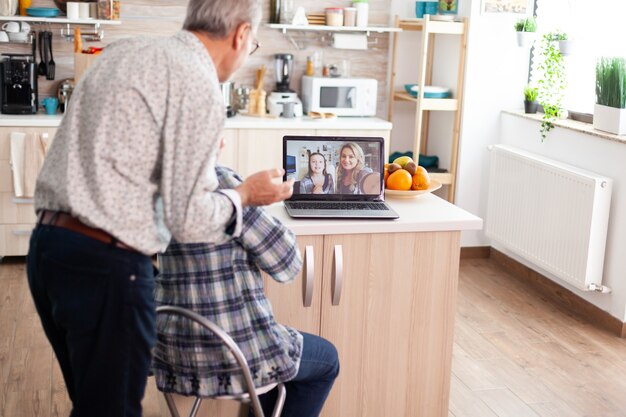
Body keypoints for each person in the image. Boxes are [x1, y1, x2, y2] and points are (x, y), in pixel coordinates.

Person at [25, 1, 293, 416]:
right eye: (253, 44)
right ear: (241, 35)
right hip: (106, 263)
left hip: (47, 248)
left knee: (92, 405)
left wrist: (196, 154)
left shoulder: (124, 50)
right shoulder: (199, 81)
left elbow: (123, 152)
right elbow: (187, 221)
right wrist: (245, 194)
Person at [155, 165, 340, 417]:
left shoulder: (152, 181)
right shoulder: (221, 183)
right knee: (327, 359)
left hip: (173, 359)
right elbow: (287, 265)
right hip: (238, 360)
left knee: (278, 362)